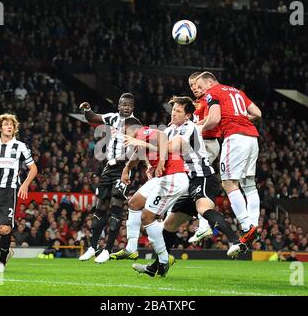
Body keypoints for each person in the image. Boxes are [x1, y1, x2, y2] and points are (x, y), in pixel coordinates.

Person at [126, 97, 246, 277]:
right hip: (184, 181)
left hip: (201, 177)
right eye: (173, 110)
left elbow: (172, 148)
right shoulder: (169, 129)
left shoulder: (189, 128)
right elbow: (162, 149)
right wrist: (153, 163)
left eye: (178, 111)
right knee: (169, 224)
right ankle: (158, 265)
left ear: (188, 115)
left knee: (203, 209)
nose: (174, 113)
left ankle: (236, 242)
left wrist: (142, 143)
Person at [113, 121, 189, 276]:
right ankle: (131, 248)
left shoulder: (142, 131)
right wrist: (127, 168)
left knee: (147, 217)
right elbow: (138, 153)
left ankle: (163, 260)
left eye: (123, 130)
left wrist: (160, 161)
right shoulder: (139, 140)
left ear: (130, 128)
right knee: (134, 203)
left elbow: (162, 135)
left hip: (173, 177)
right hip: (162, 178)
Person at [196, 72, 262, 246]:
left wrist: (195, 127)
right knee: (249, 183)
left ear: (210, 82)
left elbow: (214, 119)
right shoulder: (237, 92)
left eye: (201, 87)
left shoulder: (213, 92)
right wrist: (239, 118)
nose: (201, 91)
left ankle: (247, 226)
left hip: (235, 138)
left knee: (228, 183)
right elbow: (257, 113)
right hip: (252, 138)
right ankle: (253, 224)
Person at [78, 93, 142, 263]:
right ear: (118, 105)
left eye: (129, 104)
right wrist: (87, 109)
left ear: (133, 107)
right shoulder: (113, 118)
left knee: (116, 206)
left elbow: (137, 151)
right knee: (100, 206)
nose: (126, 107)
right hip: (109, 168)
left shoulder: (135, 124)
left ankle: (107, 249)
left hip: (123, 169)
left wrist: (123, 165)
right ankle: (93, 247)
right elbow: (93, 117)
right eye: (123, 104)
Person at [0, 114, 38, 273]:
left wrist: (25, 184)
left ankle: (1, 263)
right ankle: (6, 251)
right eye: (6, 124)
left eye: (11, 125)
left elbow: (33, 169)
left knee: (5, 228)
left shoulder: (20, 146)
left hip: (9, 189)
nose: (9, 127)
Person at [187, 71, 223, 243]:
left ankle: (204, 225)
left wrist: (192, 126)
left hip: (208, 143)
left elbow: (213, 118)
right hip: (201, 144)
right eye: (191, 86)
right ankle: (203, 223)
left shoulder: (209, 98)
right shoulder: (197, 103)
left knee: (200, 182)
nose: (194, 88)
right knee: (195, 183)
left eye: (196, 84)